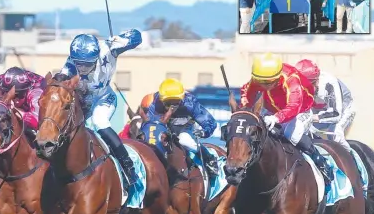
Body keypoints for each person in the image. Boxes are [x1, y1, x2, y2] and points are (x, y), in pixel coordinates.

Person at [58, 30, 142, 188]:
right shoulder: (69, 66)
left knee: (99, 122)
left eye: (87, 64)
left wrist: (124, 39)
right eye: (79, 63)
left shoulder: (109, 49)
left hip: (104, 98)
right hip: (83, 105)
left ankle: (128, 167)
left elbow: (137, 37)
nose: (82, 69)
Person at [240, 53, 333, 182]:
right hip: (274, 110)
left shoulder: (291, 79)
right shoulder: (260, 78)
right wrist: (245, 110)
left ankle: (320, 162)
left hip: (301, 110)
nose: (265, 86)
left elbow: (294, 106)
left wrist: (276, 118)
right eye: (261, 82)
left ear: (278, 76)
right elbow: (247, 92)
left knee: (291, 135)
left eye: (269, 82)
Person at [145, 78, 219, 174]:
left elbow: (210, 122)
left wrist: (203, 131)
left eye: (176, 102)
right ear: (161, 100)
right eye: (168, 103)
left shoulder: (189, 102)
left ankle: (209, 158)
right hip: (164, 128)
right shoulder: (155, 103)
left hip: (185, 128)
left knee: (184, 140)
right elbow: (151, 124)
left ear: (182, 97)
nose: (172, 106)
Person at [295, 59, 355, 152]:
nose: (305, 91)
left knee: (335, 136)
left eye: (308, 86)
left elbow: (336, 114)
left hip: (342, 110)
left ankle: (352, 160)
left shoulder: (329, 83)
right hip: (318, 111)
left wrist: (310, 117)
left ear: (317, 81)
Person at [0, 66, 45, 138]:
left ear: (26, 91)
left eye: (20, 95)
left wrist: (17, 111)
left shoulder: (35, 93)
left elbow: (39, 124)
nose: (15, 100)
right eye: (12, 95)